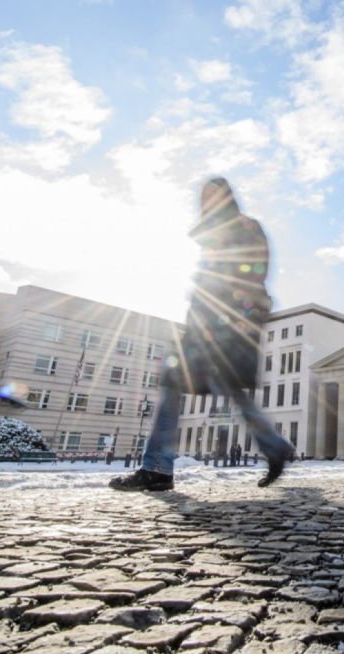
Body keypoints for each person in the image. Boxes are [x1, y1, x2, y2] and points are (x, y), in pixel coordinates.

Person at [110, 178, 294, 492]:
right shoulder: (216, 233)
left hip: (225, 327)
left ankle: (157, 468)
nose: (205, 202)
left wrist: (228, 317)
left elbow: (246, 274)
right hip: (208, 327)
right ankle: (275, 446)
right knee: (222, 389)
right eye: (203, 198)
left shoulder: (242, 227)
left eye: (212, 197)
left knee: (187, 385)